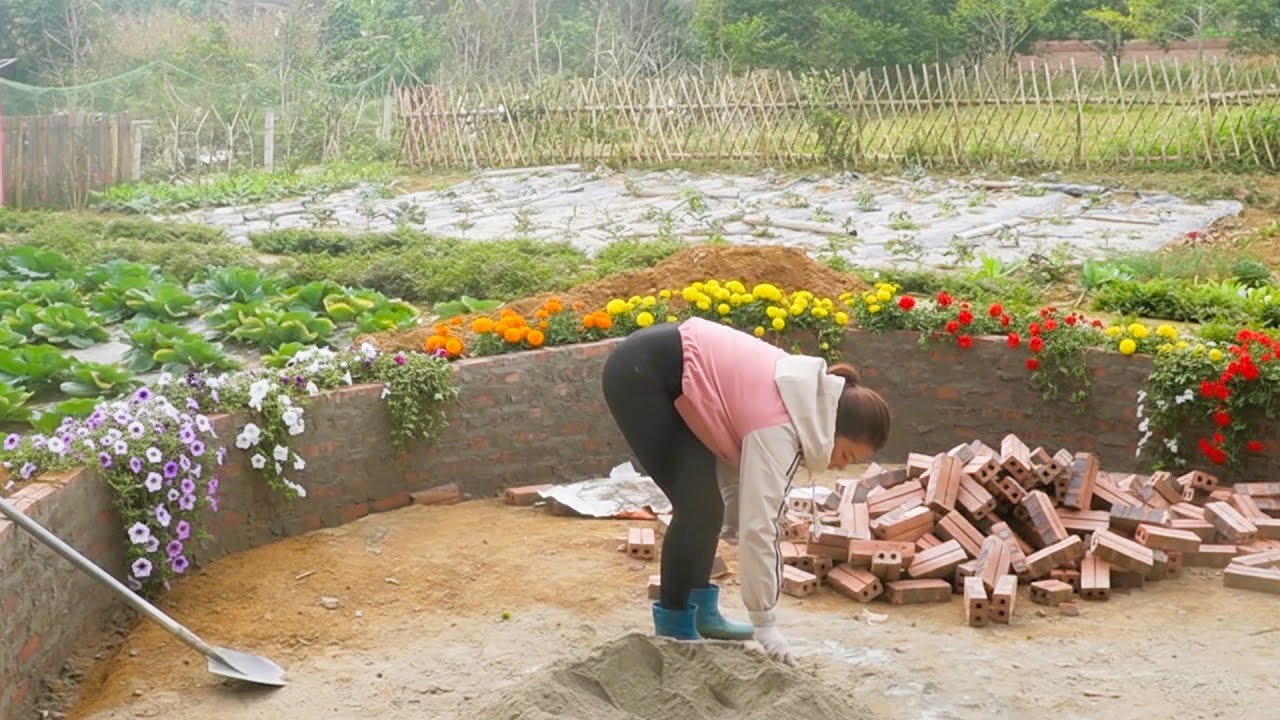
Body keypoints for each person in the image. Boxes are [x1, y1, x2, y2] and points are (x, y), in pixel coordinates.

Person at [601, 315, 891, 665]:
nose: (842, 466)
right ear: (834, 429)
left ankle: (702, 612)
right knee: (696, 506)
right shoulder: (781, 425)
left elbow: (738, 470)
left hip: (672, 374)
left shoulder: (804, 402)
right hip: (642, 375)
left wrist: (735, 521)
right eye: (846, 455)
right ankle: (674, 628)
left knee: (707, 505)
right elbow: (760, 527)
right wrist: (764, 622)